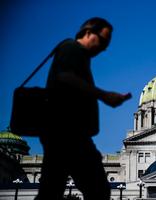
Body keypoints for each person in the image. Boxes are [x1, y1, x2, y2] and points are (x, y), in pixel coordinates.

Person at [35, 17, 131, 200]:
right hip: (69, 133)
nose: (103, 48)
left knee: (51, 191)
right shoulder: (71, 48)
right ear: (88, 33)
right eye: (102, 41)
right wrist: (104, 95)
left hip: (63, 133)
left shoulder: (77, 55)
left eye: (106, 44)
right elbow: (65, 77)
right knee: (98, 190)